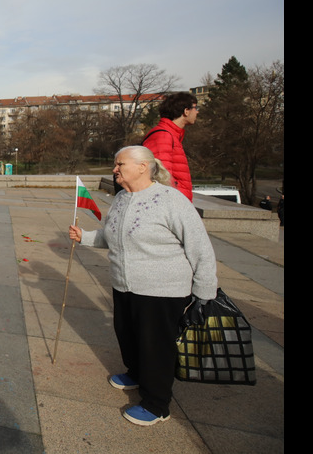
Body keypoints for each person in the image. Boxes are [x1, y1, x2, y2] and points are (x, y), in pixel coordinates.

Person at [69, 145, 217, 426]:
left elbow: (200, 247)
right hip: (124, 285)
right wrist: (84, 237)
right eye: (115, 164)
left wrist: (204, 291)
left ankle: (157, 404)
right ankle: (136, 373)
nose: (115, 169)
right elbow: (112, 236)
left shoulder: (171, 200)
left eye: (120, 164)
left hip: (161, 291)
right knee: (128, 335)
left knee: (155, 346)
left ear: (142, 167)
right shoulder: (121, 198)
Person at [142, 92, 200, 201]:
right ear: (186, 111)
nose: (197, 112)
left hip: (176, 202)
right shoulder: (163, 135)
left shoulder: (172, 135)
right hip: (170, 203)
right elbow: (160, 178)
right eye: (195, 108)